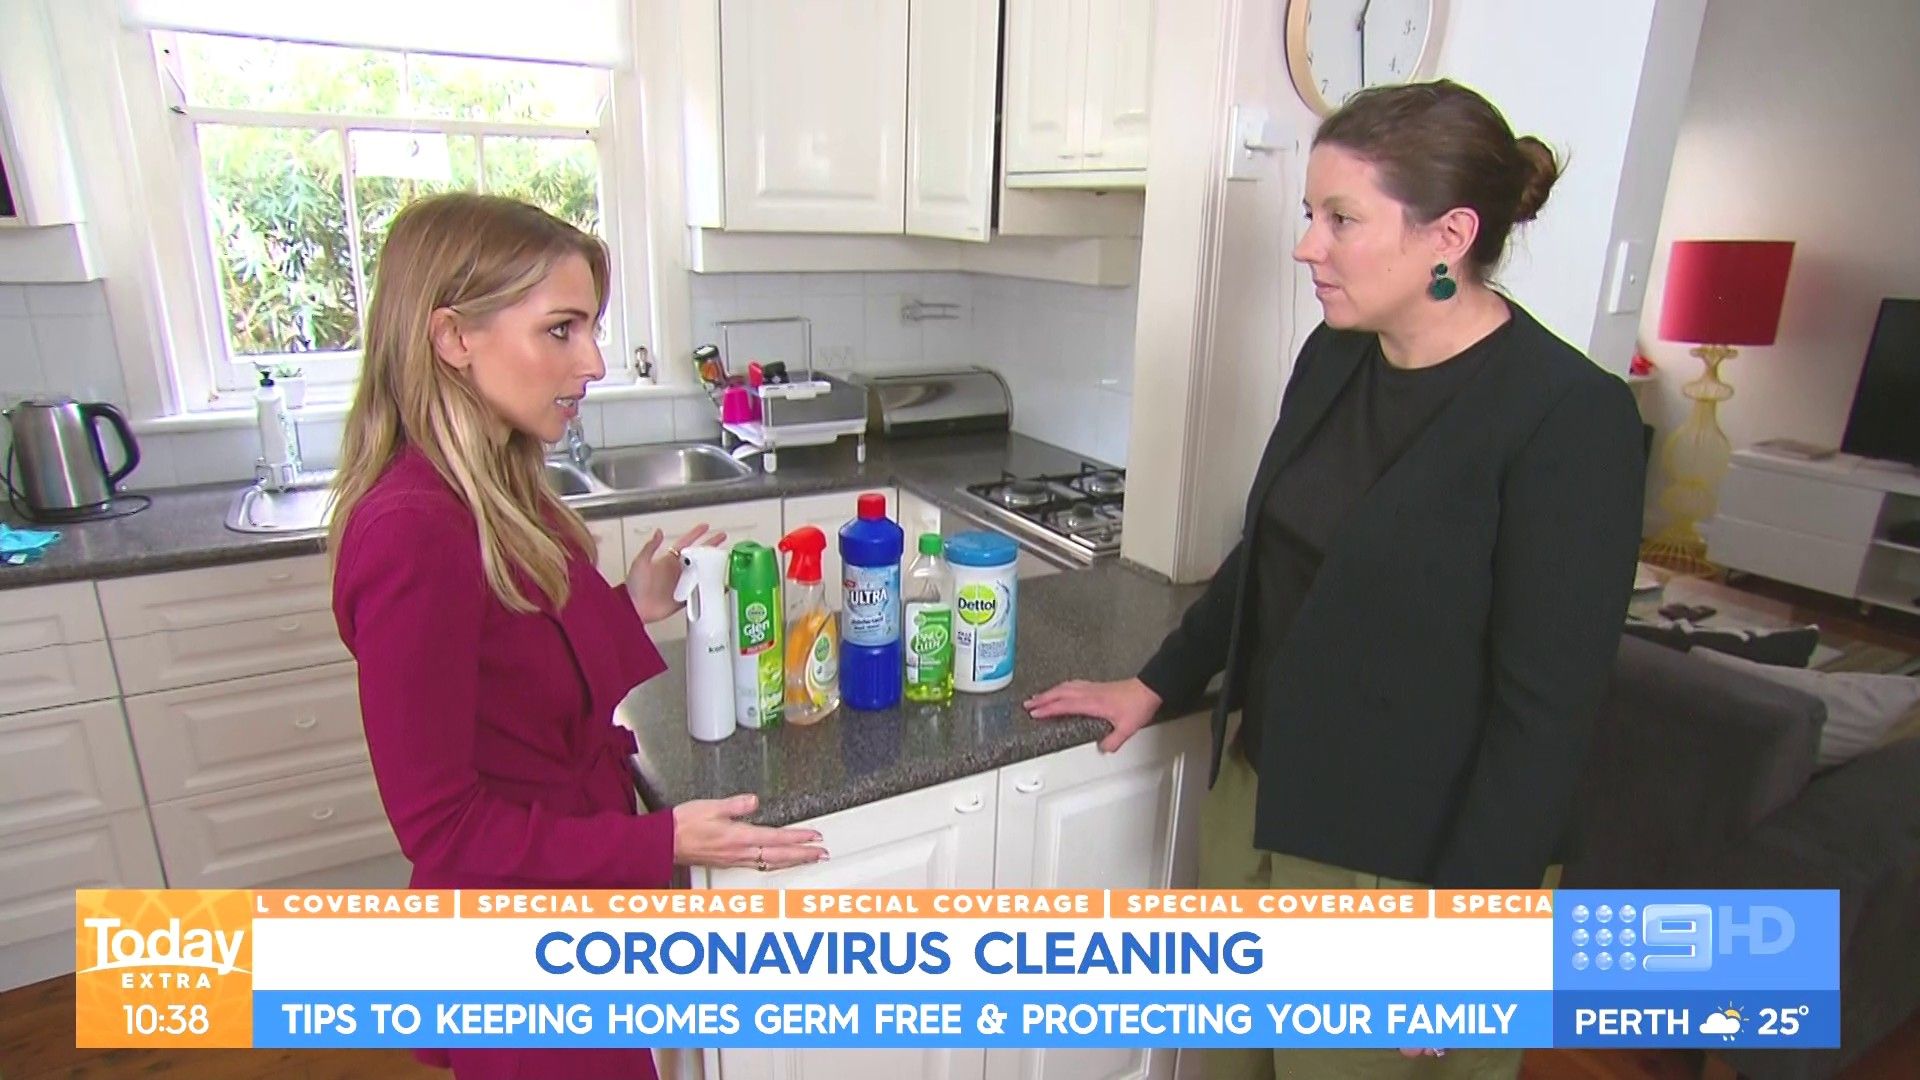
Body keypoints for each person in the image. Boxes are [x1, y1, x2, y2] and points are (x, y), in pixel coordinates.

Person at [1026, 80, 1645, 1078]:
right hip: (1259, 806)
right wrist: (1156, 681)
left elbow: (1547, 713)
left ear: (1449, 236)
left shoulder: (1569, 418)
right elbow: (1272, 552)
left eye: (1341, 219)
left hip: (1406, 861)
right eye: (1311, 214)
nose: (1307, 245)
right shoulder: (1336, 354)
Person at [328, 193, 826, 1080]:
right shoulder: (412, 530)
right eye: (561, 330)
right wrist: (661, 840)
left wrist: (627, 606)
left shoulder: (497, 482)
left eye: (590, 328)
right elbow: (445, 828)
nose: (592, 360)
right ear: (453, 337)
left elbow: (513, 669)